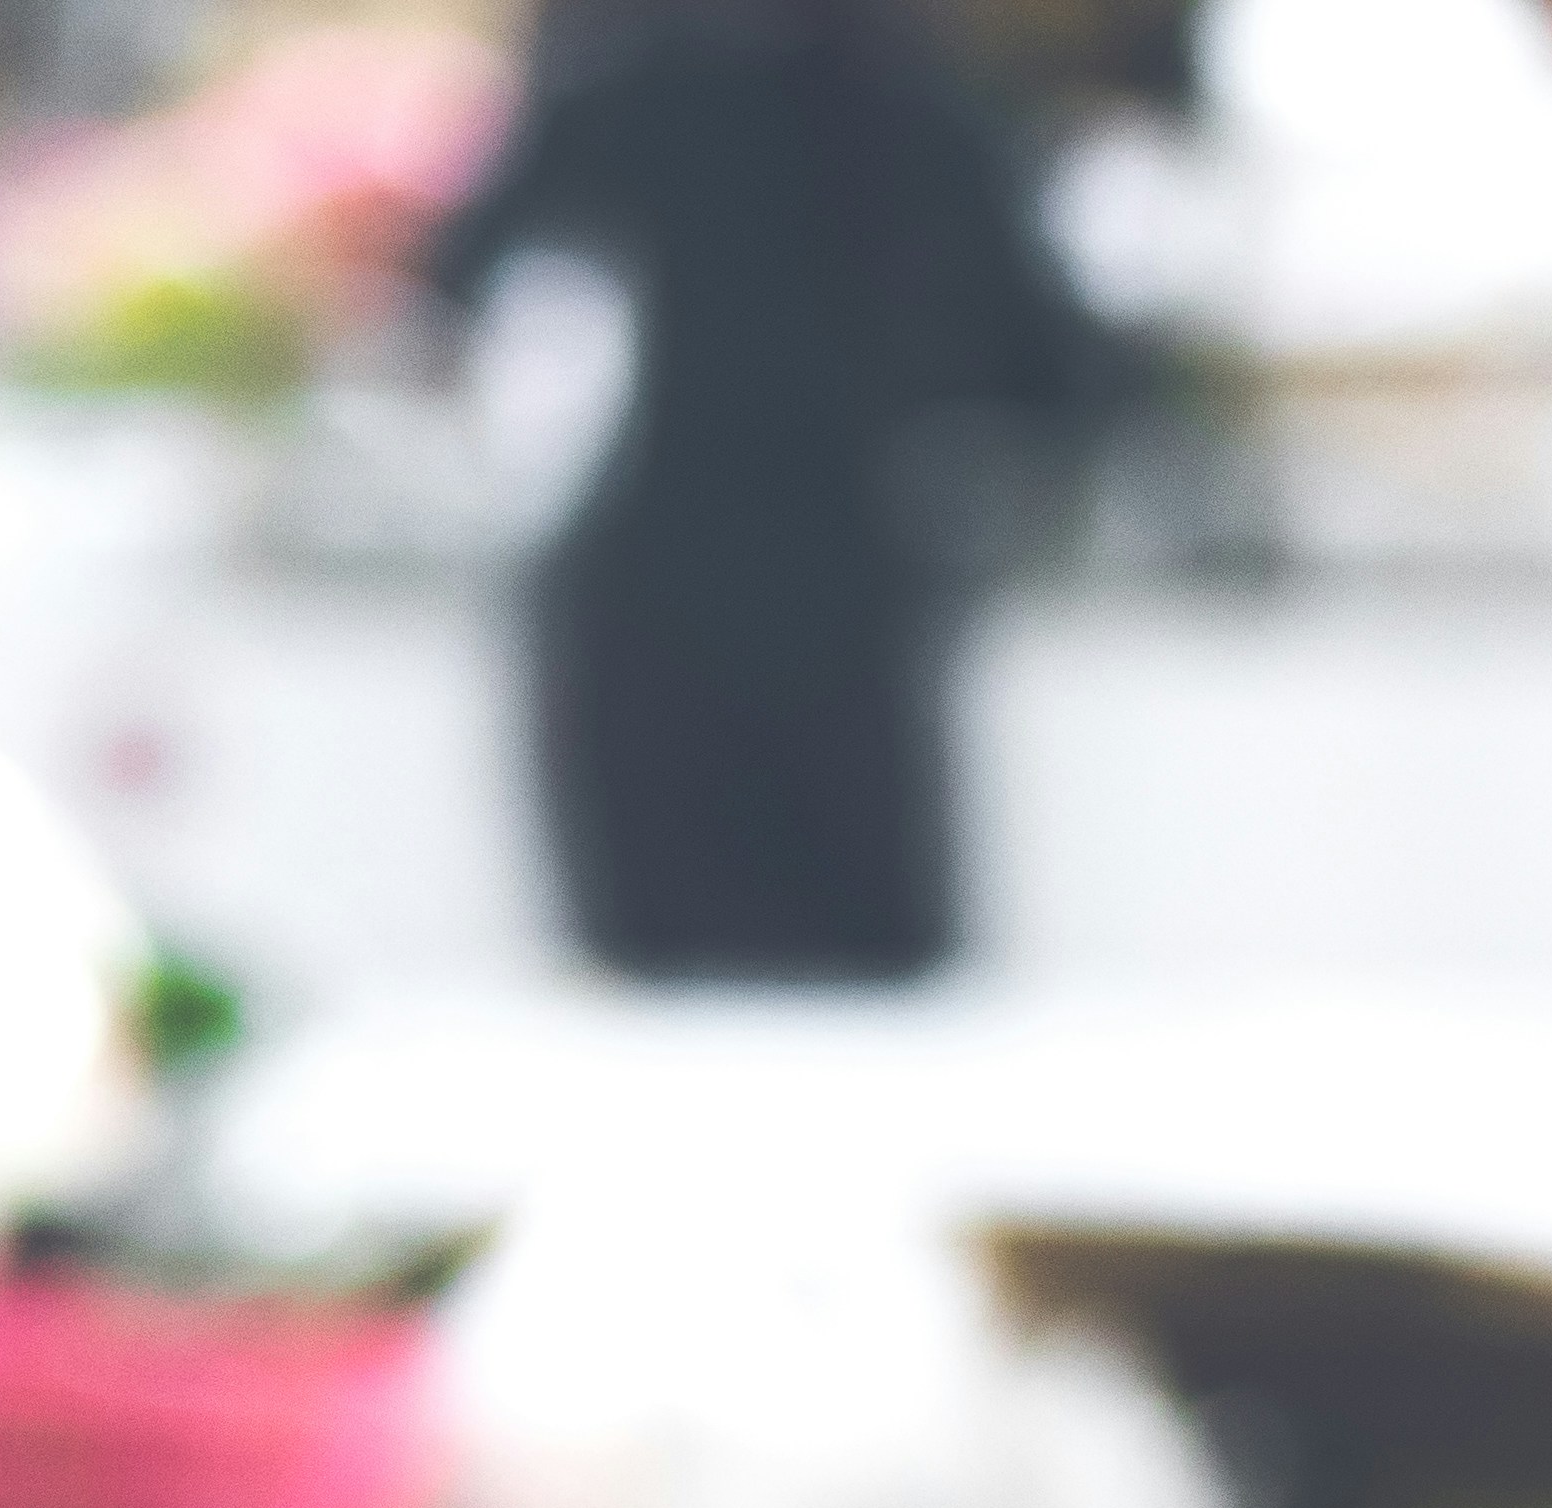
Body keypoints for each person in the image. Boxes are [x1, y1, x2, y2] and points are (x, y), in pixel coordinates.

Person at [423, 0, 1101, 982]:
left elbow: (451, 297)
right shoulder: (924, 108)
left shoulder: (616, 90)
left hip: (648, 607)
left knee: (667, 1018)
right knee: (862, 1016)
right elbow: (1053, 380)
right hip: (847, 606)